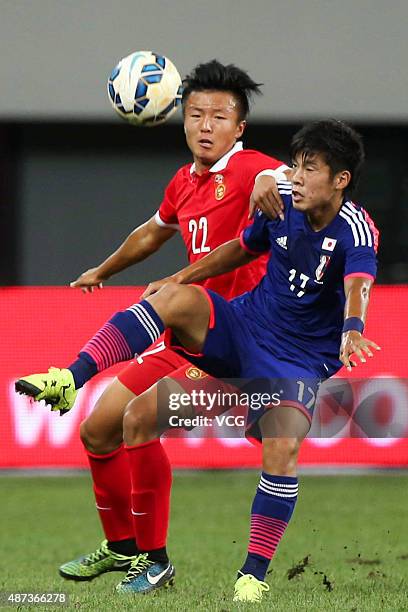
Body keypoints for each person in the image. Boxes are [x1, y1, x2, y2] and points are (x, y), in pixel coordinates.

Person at [17, 119, 380, 602]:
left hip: (292, 366)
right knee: (172, 312)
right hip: (244, 331)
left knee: (283, 445)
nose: (295, 176)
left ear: (341, 180)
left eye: (308, 169)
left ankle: (252, 574)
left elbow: (358, 284)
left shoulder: (356, 228)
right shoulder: (282, 207)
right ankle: (70, 377)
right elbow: (240, 249)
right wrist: (179, 277)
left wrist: (353, 329)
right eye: (294, 166)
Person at [17, 60, 289, 591]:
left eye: (219, 116)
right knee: (98, 428)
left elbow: (273, 176)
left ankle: (157, 562)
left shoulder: (251, 167)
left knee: (141, 418)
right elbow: (152, 232)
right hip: (185, 334)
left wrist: (270, 182)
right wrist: (104, 269)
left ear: (240, 128)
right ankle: (122, 548)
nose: (205, 125)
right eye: (195, 115)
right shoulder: (186, 182)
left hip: (237, 344)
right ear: (181, 120)